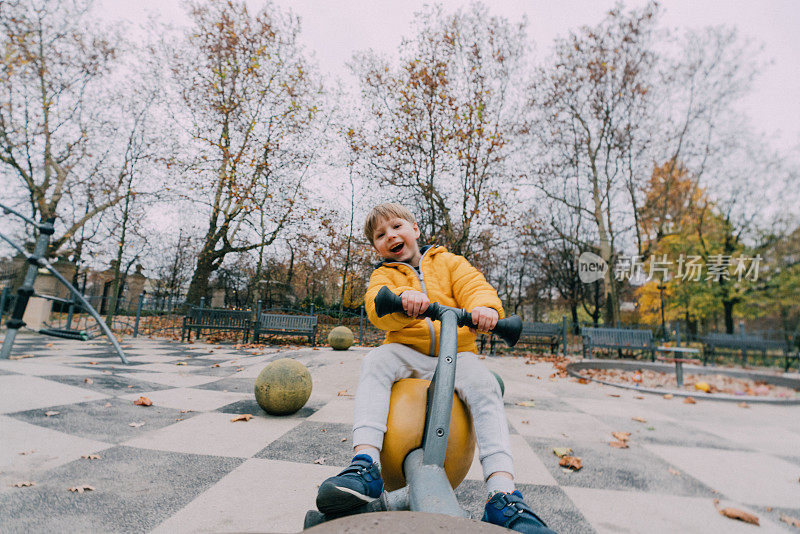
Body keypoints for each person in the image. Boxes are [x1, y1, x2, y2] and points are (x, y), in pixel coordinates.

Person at [316, 203, 556, 534]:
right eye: (380, 235)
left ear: (415, 230)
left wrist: (485, 309)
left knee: (485, 386)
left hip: (456, 352)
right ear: (376, 247)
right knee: (376, 361)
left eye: (396, 227)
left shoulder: (449, 262)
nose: (390, 236)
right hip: (407, 349)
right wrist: (403, 300)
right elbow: (377, 305)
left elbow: (474, 286)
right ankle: (365, 464)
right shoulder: (385, 274)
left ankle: (503, 493)